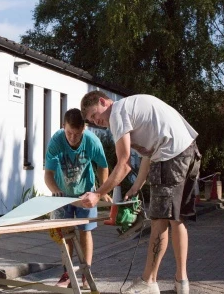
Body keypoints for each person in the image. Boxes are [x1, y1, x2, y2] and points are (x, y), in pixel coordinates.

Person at [79, 91, 201, 294]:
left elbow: (124, 163)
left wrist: (98, 194)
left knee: (159, 221)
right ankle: (182, 282)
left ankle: (149, 281)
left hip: (170, 156)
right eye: (92, 120)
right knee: (177, 220)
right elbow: (149, 153)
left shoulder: (117, 113)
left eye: (94, 115)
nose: (96, 121)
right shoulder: (131, 107)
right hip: (189, 151)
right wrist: (137, 185)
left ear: (103, 101)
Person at [44, 108, 110, 289]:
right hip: (62, 194)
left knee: (85, 231)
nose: (73, 138)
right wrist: (55, 190)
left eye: (77, 134)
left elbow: (103, 166)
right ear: (63, 126)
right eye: (69, 133)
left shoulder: (92, 141)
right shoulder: (56, 141)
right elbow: (48, 174)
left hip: (86, 193)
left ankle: (85, 274)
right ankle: (67, 273)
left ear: (84, 129)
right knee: (65, 234)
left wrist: (103, 190)